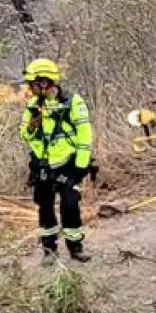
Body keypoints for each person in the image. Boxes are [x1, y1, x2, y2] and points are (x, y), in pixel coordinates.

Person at [20, 58, 94, 263]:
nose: (30, 88)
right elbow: (25, 135)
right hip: (42, 166)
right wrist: (33, 125)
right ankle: (49, 250)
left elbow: (84, 135)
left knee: (70, 205)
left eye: (33, 84)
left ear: (45, 82)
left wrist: (80, 167)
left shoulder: (72, 103)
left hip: (68, 165)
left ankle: (75, 246)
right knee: (45, 208)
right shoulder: (32, 105)